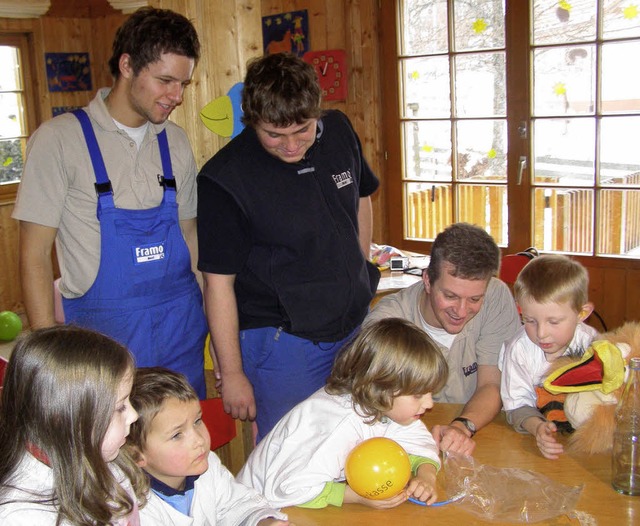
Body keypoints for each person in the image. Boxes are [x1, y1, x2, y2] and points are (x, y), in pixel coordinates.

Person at [12, 7, 207, 398]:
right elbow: (34, 256)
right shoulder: (59, 141)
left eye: (183, 84)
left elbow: (190, 239)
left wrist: (216, 338)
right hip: (104, 349)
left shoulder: (177, 142)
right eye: (166, 80)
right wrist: (52, 357)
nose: (177, 96)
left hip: (180, 338)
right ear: (128, 65)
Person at [197, 52, 380, 440]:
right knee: (291, 453)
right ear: (251, 121)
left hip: (351, 326)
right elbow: (217, 284)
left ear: (317, 113)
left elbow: (362, 197)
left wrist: (359, 266)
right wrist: (231, 374)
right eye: (274, 135)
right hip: (284, 344)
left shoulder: (339, 130)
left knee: (353, 440)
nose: (291, 145)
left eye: (303, 130)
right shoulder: (224, 180)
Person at [237, 318, 448, 509]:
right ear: (382, 388)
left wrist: (426, 475)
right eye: (418, 395)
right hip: (256, 510)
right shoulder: (338, 424)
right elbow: (288, 489)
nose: (429, 404)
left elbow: (418, 439)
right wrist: (356, 496)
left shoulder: (381, 405)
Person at [364, 223, 521, 454]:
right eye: (450, 296)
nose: (461, 310)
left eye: (475, 299)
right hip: (402, 440)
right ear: (427, 280)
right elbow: (375, 409)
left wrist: (462, 426)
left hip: (476, 430)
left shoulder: (496, 296)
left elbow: (493, 384)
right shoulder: (387, 325)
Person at [0, 326, 145, 525]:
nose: (134, 415)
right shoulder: (21, 517)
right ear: (66, 420)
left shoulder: (105, 460)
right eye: (120, 407)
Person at [125, 367, 289, 525]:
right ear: (136, 455)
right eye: (177, 435)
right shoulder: (134, 510)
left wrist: (263, 522)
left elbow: (238, 505)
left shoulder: (207, 464)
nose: (199, 440)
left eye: (197, 421)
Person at [499, 254, 598, 460]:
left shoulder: (592, 344)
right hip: (535, 441)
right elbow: (517, 405)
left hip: (583, 443)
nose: (542, 333)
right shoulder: (518, 349)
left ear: (582, 313)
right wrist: (538, 428)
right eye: (529, 320)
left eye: (554, 322)